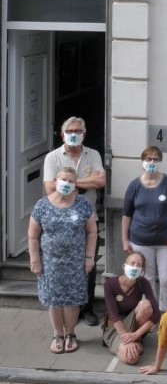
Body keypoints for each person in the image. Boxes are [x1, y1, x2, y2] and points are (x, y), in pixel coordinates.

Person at [43, 116, 106, 327]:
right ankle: (67, 309)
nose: (74, 134)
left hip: (88, 220)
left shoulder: (93, 154)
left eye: (78, 131)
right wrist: (84, 184)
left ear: (84, 134)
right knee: (62, 266)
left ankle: (86, 309)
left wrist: (69, 182)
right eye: (70, 131)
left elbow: (101, 181)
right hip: (59, 220)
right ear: (62, 134)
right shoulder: (53, 157)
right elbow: (49, 188)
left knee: (88, 264)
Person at [28, 166, 97, 354]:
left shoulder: (83, 204)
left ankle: (71, 333)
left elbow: (92, 232)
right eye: (63, 180)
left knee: (72, 300)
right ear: (55, 182)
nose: (66, 184)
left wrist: (89, 257)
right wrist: (35, 260)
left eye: (71, 181)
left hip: (75, 262)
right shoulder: (42, 205)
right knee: (54, 300)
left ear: (75, 185)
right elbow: (33, 236)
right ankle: (58, 334)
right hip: (50, 262)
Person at [121, 146, 167, 312]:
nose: (152, 162)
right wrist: (124, 239)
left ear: (160, 162)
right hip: (140, 242)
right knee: (146, 280)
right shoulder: (134, 186)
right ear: (142, 162)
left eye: (156, 159)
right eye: (148, 159)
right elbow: (126, 214)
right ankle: (150, 313)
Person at [101, 251, 161, 364]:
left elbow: (157, 314)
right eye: (132, 263)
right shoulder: (109, 285)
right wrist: (126, 340)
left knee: (146, 305)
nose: (135, 267)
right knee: (132, 358)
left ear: (142, 269)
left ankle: (136, 340)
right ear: (124, 266)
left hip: (133, 328)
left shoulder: (144, 283)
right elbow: (114, 316)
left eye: (139, 265)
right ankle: (135, 345)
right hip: (115, 328)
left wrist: (135, 335)